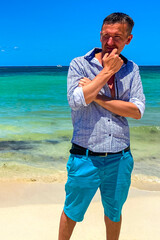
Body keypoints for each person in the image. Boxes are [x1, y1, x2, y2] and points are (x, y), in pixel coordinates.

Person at [58, 12, 145, 240]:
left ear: (128, 39)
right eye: (105, 36)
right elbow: (76, 101)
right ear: (99, 34)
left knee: (114, 212)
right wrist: (107, 72)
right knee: (72, 212)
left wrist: (96, 96)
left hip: (120, 157)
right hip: (84, 156)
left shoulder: (132, 69)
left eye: (117, 37)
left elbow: (136, 111)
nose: (109, 42)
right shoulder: (79, 64)